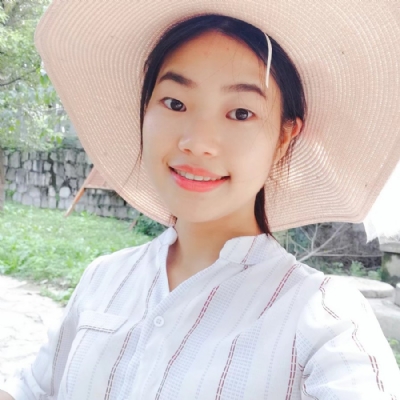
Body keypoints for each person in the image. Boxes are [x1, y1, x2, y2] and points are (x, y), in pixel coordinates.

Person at [1, 1, 400, 399]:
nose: (197, 143)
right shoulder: (103, 280)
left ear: (283, 138)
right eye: (175, 103)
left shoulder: (325, 318)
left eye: (240, 113)